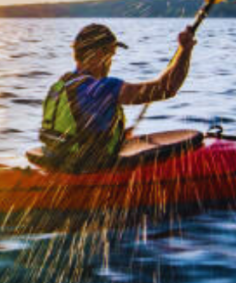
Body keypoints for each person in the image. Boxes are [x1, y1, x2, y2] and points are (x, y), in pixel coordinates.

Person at [39, 23, 197, 173]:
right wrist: (185, 50)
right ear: (99, 54)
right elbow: (166, 88)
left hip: (59, 163)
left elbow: (78, 130)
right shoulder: (102, 88)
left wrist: (115, 136)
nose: (110, 63)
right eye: (111, 56)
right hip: (86, 170)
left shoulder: (60, 86)